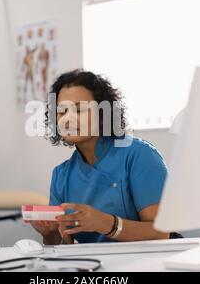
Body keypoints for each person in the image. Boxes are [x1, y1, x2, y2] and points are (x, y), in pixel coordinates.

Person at [31, 69, 176, 244]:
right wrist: (50, 234)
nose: (69, 119)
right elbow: (64, 249)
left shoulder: (139, 155)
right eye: (62, 112)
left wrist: (106, 224)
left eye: (80, 110)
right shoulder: (61, 175)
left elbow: (161, 233)